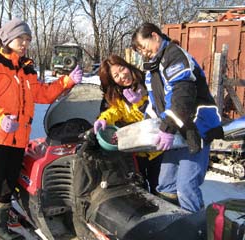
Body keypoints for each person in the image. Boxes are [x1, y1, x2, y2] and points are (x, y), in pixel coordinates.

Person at [0, 18, 82, 240]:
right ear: (8, 38)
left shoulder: (26, 69)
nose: (25, 43)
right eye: (21, 38)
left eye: (28, 39)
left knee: (7, 187)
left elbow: (42, 93)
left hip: (18, 139)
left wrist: (66, 81)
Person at [131, 22, 223, 212]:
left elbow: (182, 97)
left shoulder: (174, 56)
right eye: (140, 51)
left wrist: (166, 128)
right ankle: (174, 221)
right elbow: (157, 105)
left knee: (186, 187)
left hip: (196, 128)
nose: (143, 53)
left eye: (144, 47)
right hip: (176, 131)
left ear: (155, 36)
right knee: (165, 185)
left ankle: (196, 228)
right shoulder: (153, 67)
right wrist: (143, 124)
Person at [93, 54, 162, 194]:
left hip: (159, 147)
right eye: (116, 75)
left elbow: (157, 110)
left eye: (122, 69)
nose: (122, 76)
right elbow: (114, 111)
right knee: (140, 188)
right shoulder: (119, 95)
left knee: (160, 187)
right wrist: (103, 119)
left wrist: (140, 102)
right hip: (137, 150)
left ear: (127, 65)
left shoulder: (148, 81)